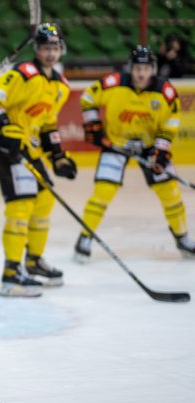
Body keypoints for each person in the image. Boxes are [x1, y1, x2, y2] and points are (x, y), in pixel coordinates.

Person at [0, 23, 77, 297]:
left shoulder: (60, 85)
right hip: (8, 149)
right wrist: (6, 129)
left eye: (54, 48)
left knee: (44, 200)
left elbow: (47, 125)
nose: (50, 53)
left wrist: (58, 156)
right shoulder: (21, 73)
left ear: (61, 50)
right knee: (21, 207)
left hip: (30, 150)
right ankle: (11, 273)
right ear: (38, 49)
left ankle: (33, 261)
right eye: (45, 47)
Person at [76, 45, 195, 261]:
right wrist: (92, 124)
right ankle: (85, 237)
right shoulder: (113, 83)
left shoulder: (165, 92)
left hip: (150, 146)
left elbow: (171, 122)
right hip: (116, 144)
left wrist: (161, 149)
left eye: (147, 68)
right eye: (138, 68)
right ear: (131, 67)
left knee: (170, 192)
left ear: (153, 69)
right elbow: (87, 98)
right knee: (103, 192)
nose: (142, 73)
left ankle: (182, 237)